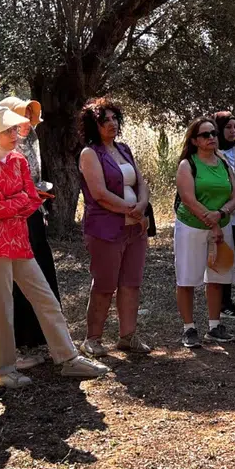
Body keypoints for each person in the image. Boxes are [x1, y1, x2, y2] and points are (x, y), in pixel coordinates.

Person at [0, 104, 110, 385]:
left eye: (13, 128)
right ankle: (4, 371)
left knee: (45, 298)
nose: (14, 134)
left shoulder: (17, 160)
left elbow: (28, 198)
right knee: (2, 307)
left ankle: (67, 357)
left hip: (18, 241)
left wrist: (17, 203)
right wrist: (21, 202)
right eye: (6, 130)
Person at [77, 97, 149, 357]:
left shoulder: (125, 149)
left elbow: (142, 182)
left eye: (114, 118)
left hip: (135, 229)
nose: (111, 123)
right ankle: (92, 339)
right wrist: (132, 211)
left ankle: (127, 337)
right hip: (105, 229)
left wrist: (142, 205)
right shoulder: (89, 154)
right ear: (92, 125)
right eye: (104, 120)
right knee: (105, 284)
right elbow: (100, 194)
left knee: (131, 282)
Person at [3, 97, 60, 371]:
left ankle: (41, 338)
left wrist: (38, 200)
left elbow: (32, 176)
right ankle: (21, 342)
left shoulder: (31, 138)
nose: (26, 120)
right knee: (18, 282)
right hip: (13, 220)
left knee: (42, 273)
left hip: (33, 213)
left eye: (29, 114)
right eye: (21, 114)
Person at [174, 117, 235, 347]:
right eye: (205, 135)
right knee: (187, 278)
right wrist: (212, 223)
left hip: (222, 225)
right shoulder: (187, 165)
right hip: (192, 227)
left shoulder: (223, 162)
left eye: (213, 133)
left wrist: (221, 214)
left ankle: (214, 326)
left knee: (217, 276)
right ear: (194, 140)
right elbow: (189, 199)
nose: (211, 137)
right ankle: (189, 328)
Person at [215, 110, 235, 318]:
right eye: (228, 127)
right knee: (227, 258)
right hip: (226, 215)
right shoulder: (215, 154)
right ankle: (224, 302)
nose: (233, 131)